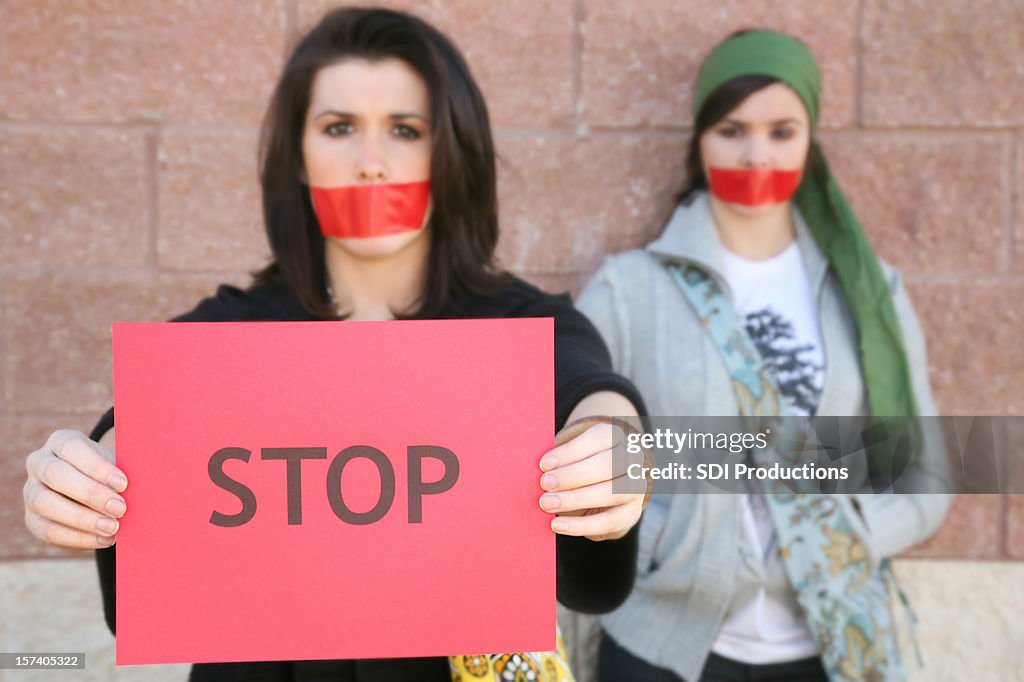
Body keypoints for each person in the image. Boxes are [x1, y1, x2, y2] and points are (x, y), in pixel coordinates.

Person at [21, 8, 649, 681]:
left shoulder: (524, 328)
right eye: (339, 128)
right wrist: (85, 480)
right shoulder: (223, 337)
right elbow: (142, 434)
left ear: (453, 153)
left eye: (406, 131)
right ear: (299, 156)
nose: (371, 164)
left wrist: (616, 448)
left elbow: (591, 396)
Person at [575, 30, 951, 682]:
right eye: (732, 129)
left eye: (782, 131)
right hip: (663, 646)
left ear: (811, 141)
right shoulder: (627, 289)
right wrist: (659, 544)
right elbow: (570, 456)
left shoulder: (866, 291)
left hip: (828, 648)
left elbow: (930, 469)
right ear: (700, 138)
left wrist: (856, 525)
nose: (755, 154)